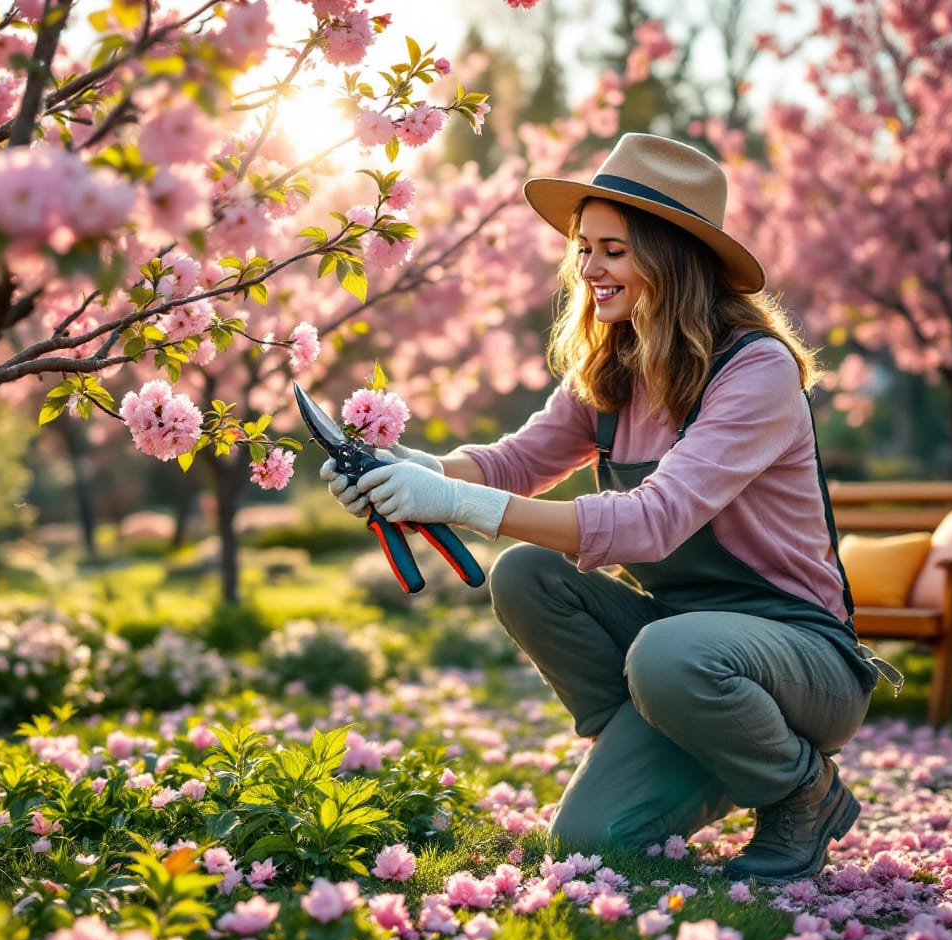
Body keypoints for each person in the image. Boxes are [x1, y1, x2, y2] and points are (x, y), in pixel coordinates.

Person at [320, 132, 899, 883]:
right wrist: (411, 471)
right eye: (582, 248)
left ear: (670, 257)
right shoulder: (616, 362)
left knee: (667, 654)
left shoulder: (756, 369)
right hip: (685, 656)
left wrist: (456, 501)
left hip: (800, 657)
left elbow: (651, 522)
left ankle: (801, 791)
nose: (587, 269)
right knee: (530, 587)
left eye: (612, 250)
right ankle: (656, 737)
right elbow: (515, 463)